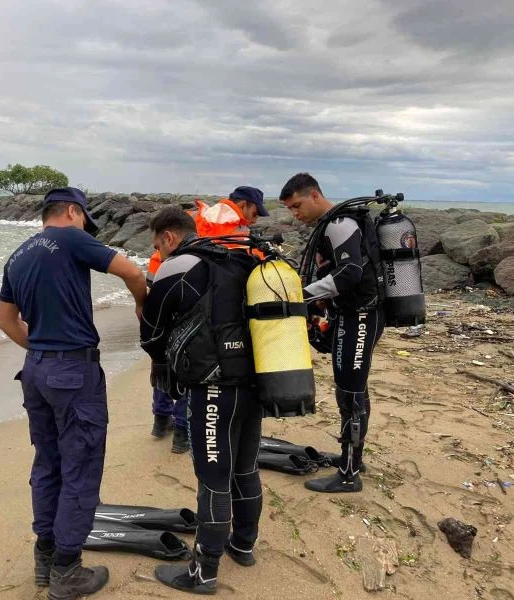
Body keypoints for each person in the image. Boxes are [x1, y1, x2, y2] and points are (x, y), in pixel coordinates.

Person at [0, 187, 147, 599]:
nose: (86, 227)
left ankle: (44, 557)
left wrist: (43, 350)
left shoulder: (18, 254)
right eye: (85, 219)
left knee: (49, 463)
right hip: (72, 372)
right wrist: (141, 306)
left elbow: (6, 322)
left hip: (36, 371)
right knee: (80, 467)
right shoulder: (70, 237)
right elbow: (132, 272)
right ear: (71, 211)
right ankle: (67, 570)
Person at [140, 207, 264, 594]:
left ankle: (204, 572)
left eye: (158, 244)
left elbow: (151, 328)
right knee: (245, 467)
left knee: (213, 478)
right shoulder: (241, 261)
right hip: (255, 381)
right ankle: (242, 545)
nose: (159, 252)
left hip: (213, 388)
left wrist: (160, 363)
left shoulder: (180, 266)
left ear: (170, 237)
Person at [280, 173, 385, 493]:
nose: (295, 214)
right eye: (290, 210)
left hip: (361, 316)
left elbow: (350, 273)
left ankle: (349, 474)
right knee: (353, 389)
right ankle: (353, 458)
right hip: (354, 314)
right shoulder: (332, 224)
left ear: (314, 195)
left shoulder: (339, 224)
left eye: (297, 206)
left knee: (350, 393)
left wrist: (301, 294)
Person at [144, 186, 269, 454]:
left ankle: (159, 421)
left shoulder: (198, 217)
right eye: (256, 211)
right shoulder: (233, 226)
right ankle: (181, 433)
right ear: (245, 205)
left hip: (167, 285)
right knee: (189, 368)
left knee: (165, 362)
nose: (256, 218)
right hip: (208, 311)